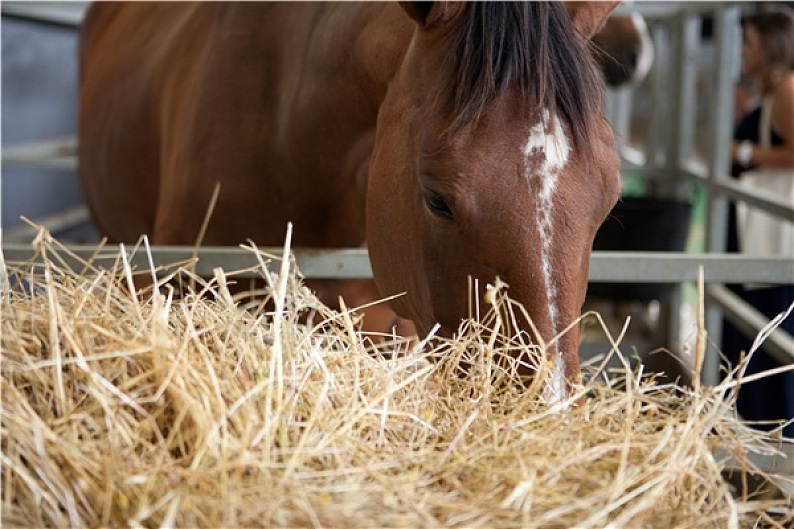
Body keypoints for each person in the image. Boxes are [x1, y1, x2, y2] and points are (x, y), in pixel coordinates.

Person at [723, 5, 794, 439]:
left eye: (747, 42)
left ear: (769, 47)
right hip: (755, 231)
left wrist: (743, 154)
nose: (742, 51)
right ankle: (754, 428)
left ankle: (775, 432)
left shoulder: (787, 91)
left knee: (770, 327)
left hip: (770, 236)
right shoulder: (770, 91)